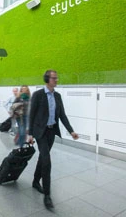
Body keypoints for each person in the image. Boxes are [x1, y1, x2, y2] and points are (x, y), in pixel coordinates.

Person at [28, 70, 79, 210]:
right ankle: (47, 196)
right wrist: (30, 134)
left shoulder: (57, 96)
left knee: (43, 158)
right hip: (40, 132)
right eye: (54, 78)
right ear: (47, 79)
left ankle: (35, 181)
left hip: (51, 132)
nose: (56, 80)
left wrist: (71, 130)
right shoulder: (38, 95)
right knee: (47, 161)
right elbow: (31, 115)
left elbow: (62, 115)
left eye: (56, 78)